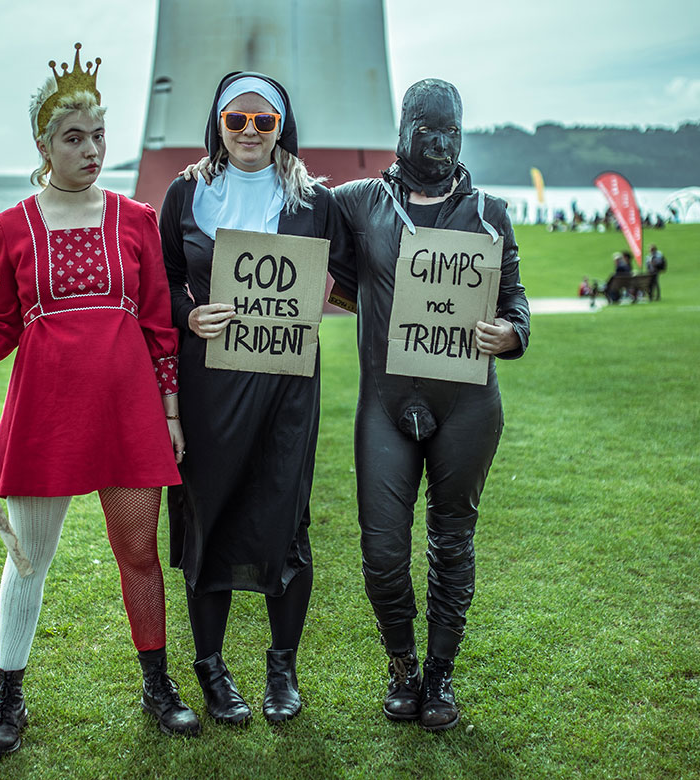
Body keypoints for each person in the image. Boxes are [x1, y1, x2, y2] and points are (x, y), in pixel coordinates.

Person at [0, 43, 200, 753]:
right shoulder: (10, 228)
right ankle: (8, 698)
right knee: (27, 561)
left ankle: (158, 685)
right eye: (73, 138)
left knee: (140, 556)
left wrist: (172, 414)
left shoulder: (135, 219)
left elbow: (158, 326)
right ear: (43, 145)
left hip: (128, 419)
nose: (90, 149)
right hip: (47, 421)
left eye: (98, 136)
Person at [331, 79, 530, 731]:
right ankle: (402, 666)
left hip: (468, 406)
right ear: (402, 129)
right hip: (387, 405)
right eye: (427, 128)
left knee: (453, 544)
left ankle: (440, 677)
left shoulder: (490, 214)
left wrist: (513, 333)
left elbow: (515, 300)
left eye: (451, 130)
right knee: (383, 550)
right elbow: (294, 223)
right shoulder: (358, 204)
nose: (440, 143)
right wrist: (220, 165)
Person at [159, 71, 353, 725]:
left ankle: (281, 671)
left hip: (287, 391)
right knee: (206, 521)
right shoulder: (186, 193)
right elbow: (162, 285)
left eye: (262, 122)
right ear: (217, 124)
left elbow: (354, 280)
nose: (248, 132)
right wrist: (190, 317)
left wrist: (331, 294)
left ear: (281, 127)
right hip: (208, 386)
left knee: (286, 520)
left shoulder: (315, 202)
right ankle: (211, 671)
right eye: (235, 120)